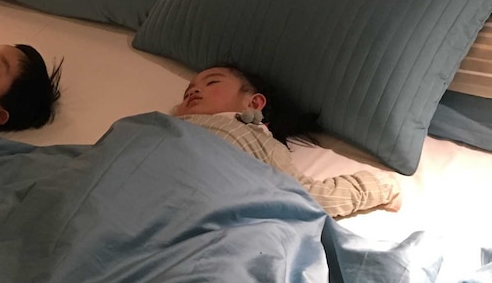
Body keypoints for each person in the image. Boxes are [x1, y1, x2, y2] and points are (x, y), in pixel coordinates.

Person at [172, 65, 402, 218]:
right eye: (187, 92)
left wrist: (378, 185)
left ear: (253, 104)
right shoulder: (163, 124)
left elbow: (304, 197)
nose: (194, 91)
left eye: (211, 83)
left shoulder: (252, 138)